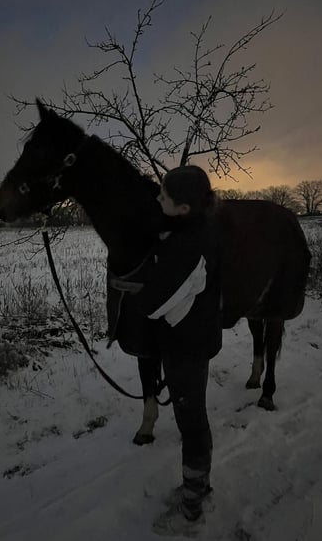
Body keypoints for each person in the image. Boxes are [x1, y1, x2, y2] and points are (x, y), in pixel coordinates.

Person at [110, 165, 223, 536]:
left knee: (191, 423)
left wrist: (132, 292)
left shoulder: (188, 246)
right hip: (193, 340)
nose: (157, 199)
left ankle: (192, 509)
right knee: (194, 418)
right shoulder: (197, 229)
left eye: (164, 197)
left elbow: (155, 303)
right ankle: (198, 485)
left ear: (183, 208)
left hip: (186, 348)